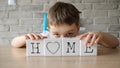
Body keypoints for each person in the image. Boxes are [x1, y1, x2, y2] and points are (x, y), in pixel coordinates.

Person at [11, 2, 119, 48]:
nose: (63, 39)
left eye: (70, 33)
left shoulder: (84, 38)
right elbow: (14, 43)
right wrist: (25, 38)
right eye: (56, 34)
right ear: (49, 29)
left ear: (78, 28)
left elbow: (115, 43)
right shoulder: (45, 37)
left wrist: (101, 35)